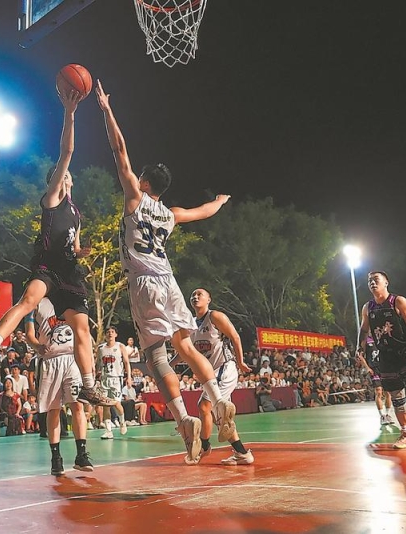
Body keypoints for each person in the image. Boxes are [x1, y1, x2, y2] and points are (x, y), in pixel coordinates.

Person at [96, 80, 237, 463]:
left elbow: (119, 150)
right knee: (185, 347)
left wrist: (107, 109)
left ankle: (183, 419)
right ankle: (219, 400)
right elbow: (203, 211)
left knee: (155, 356)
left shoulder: (134, 198)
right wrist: (220, 201)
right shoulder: (171, 214)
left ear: (143, 182)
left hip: (143, 283)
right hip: (169, 281)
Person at [0, 88, 112, 407]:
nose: (66, 177)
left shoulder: (76, 213)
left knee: (83, 330)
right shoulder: (51, 200)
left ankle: (88, 386)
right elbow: (67, 152)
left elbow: (75, 246)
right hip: (48, 266)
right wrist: (70, 113)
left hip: (69, 273)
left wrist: (82, 252)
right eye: (62, 176)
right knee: (28, 301)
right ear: (57, 180)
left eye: (67, 177)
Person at [356, 271, 406, 449]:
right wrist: (359, 347)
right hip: (385, 356)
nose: (372, 283)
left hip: (405, 353)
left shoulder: (398, 301)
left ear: (386, 282)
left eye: (376, 279)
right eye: (369, 281)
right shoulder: (367, 308)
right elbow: (364, 330)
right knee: (397, 397)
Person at [25, 297, 94, 476]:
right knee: (54, 409)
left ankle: (81, 454)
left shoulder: (72, 298)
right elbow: (29, 334)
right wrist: (37, 346)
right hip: (50, 360)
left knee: (78, 405)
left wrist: (90, 360)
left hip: (73, 359)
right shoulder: (35, 301)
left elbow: (84, 332)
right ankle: (56, 458)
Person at [188, 288, 254, 465]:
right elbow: (185, 351)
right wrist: (168, 366)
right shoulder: (191, 324)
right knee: (221, 417)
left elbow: (235, 336)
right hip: (211, 374)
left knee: (204, 406)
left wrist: (240, 361)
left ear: (209, 299)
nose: (195, 297)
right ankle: (242, 453)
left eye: (199, 294)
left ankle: (204, 445)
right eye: (193, 295)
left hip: (225, 368)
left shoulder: (215, 316)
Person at [95, 326, 131, 439]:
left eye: (112, 332)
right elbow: (97, 364)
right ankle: (108, 431)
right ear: (105, 335)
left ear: (116, 334)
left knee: (116, 403)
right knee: (105, 405)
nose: (110, 334)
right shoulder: (101, 348)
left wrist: (129, 377)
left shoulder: (120, 346)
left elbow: (126, 362)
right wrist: (94, 376)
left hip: (116, 378)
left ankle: (122, 422)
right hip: (104, 379)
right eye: (108, 332)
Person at [355, 337, 396, 426]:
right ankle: (382, 416)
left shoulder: (383, 337)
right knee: (378, 391)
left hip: (385, 368)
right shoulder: (366, 340)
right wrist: (367, 368)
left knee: (388, 393)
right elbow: (360, 355)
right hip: (374, 369)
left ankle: (388, 414)